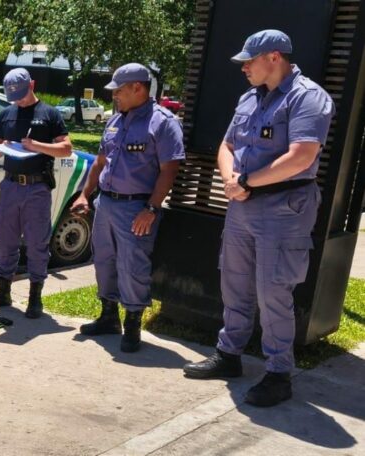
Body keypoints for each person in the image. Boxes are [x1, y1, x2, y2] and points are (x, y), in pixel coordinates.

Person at [183, 30, 334, 407]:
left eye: (249, 60)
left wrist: (246, 180)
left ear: (274, 57)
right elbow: (228, 145)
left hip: (284, 209)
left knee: (273, 292)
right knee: (234, 284)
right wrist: (230, 180)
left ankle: (279, 373)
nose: (243, 67)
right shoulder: (249, 98)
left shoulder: (307, 98)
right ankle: (229, 355)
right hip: (242, 204)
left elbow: (301, 157)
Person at [72, 63, 184, 352]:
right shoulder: (115, 121)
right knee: (104, 260)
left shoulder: (162, 122)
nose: (114, 96)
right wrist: (85, 194)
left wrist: (151, 208)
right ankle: (109, 316)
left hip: (136, 207)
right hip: (106, 203)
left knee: (133, 265)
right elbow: (100, 161)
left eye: (119, 90)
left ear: (138, 88)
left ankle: (132, 323)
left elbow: (169, 169)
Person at [0, 68, 72, 319]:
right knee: (5, 239)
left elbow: (66, 149)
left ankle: (35, 297)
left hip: (37, 188)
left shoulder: (50, 114)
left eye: (22, 94)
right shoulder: (6, 113)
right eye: (13, 95)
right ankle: (3, 291)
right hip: (10, 185)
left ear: (32, 85)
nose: (18, 99)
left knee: (37, 243)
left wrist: (36, 146)